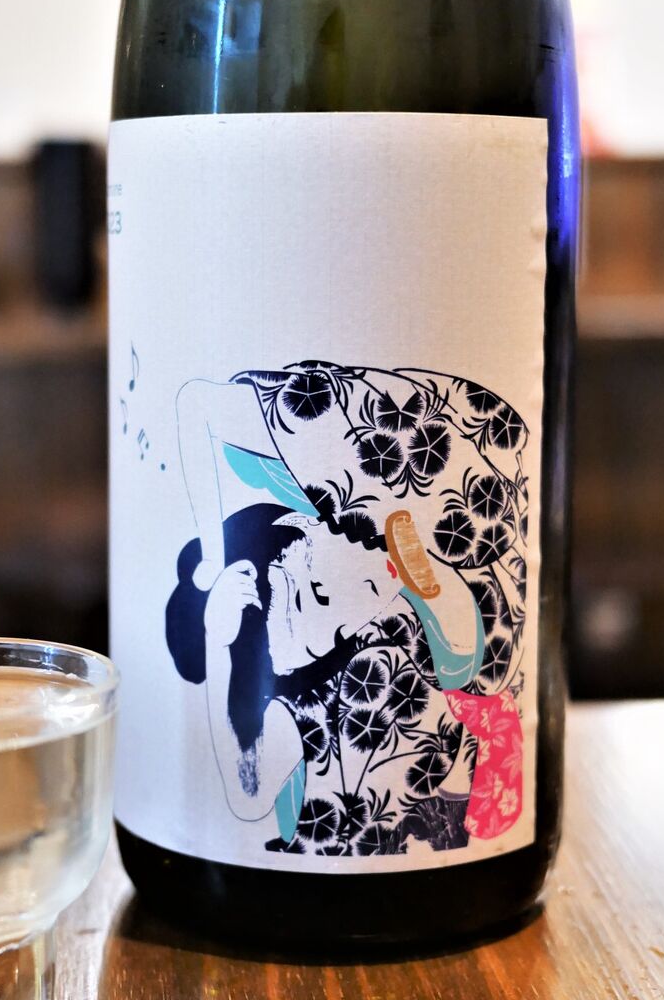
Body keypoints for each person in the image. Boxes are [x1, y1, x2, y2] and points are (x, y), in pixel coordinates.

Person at [166, 362, 529, 856]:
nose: (351, 607)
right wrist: (217, 642)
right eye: (337, 635)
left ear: (303, 525)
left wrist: (214, 556)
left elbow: (197, 404)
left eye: (316, 590)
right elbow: (247, 795)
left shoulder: (321, 464)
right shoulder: (397, 630)